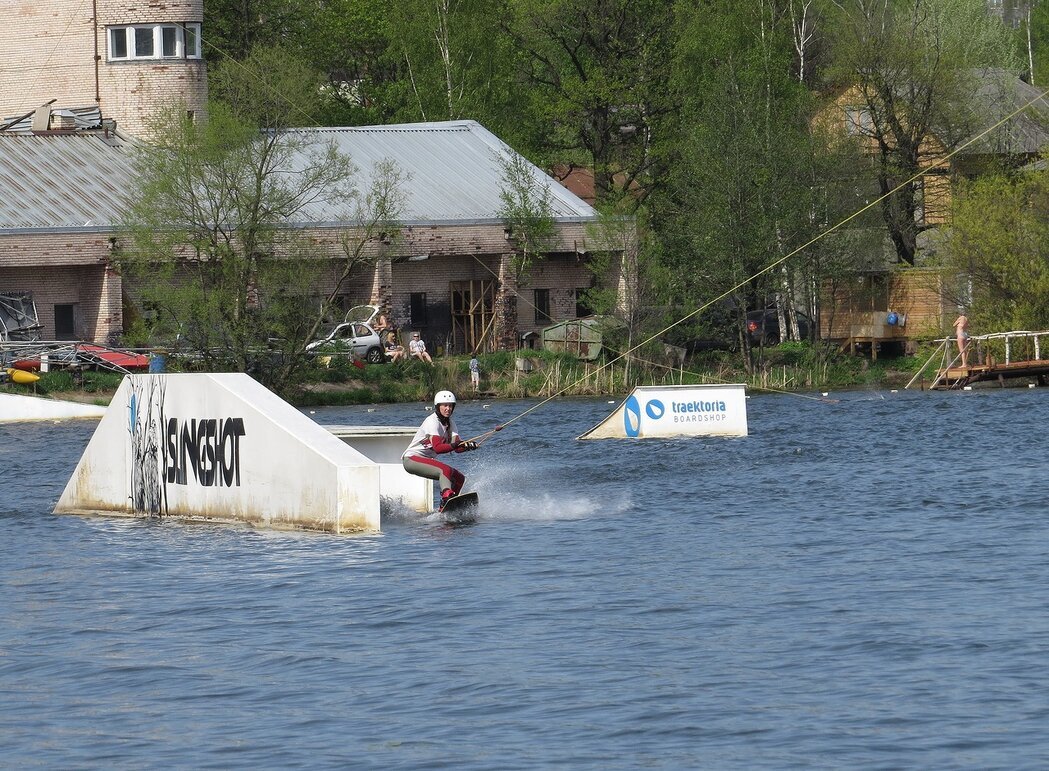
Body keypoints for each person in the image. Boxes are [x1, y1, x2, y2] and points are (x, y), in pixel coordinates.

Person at [402, 390, 478, 510]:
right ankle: (446, 497)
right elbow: (438, 448)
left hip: (425, 460)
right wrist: (455, 445)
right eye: (445, 405)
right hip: (411, 459)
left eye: (450, 406)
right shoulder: (432, 421)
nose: (448, 409)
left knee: (459, 478)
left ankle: (448, 506)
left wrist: (468, 446)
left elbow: (457, 448)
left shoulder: (451, 424)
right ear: (438, 406)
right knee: (445, 470)